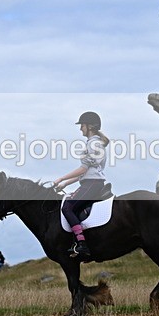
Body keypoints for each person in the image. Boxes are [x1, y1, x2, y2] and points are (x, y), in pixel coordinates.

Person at [54, 111, 110, 261]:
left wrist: (60, 178)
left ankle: (82, 244)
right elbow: (84, 173)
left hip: (93, 184)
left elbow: (83, 169)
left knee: (67, 208)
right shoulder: (92, 143)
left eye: (82, 125)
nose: (80, 129)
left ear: (90, 126)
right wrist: (65, 184)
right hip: (90, 182)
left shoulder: (94, 144)